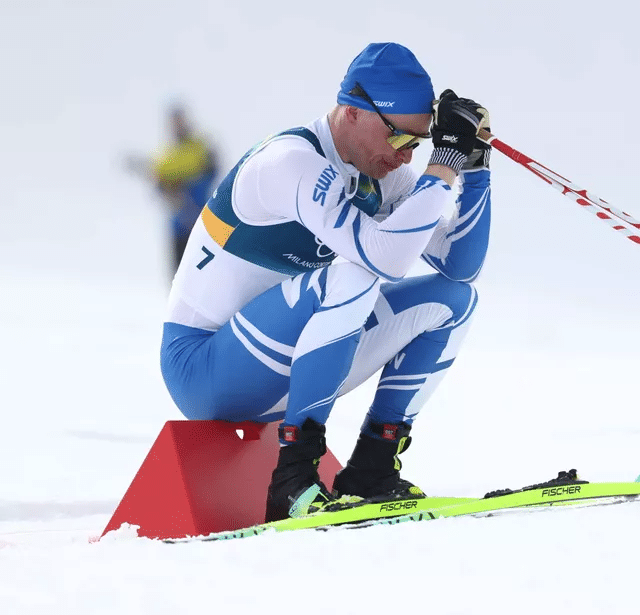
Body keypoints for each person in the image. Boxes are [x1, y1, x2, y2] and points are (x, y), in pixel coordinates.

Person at [159, 42, 492, 523]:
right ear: (354, 111)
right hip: (204, 370)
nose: (405, 158)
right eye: (400, 138)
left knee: (454, 301)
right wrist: (443, 164)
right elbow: (386, 259)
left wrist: (474, 168)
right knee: (356, 273)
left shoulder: (381, 175)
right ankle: (292, 478)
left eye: (418, 145)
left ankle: (371, 469)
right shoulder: (289, 162)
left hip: (280, 368)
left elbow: (459, 267)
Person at [126, 104, 219, 275]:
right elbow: (159, 185)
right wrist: (166, 189)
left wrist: (185, 187)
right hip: (179, 226)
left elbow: (211, 173)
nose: (177, 124)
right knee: (179, 275)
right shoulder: (165, 155)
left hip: (202, 223)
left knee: (206, 273)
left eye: (180, 120)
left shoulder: (200, 147)